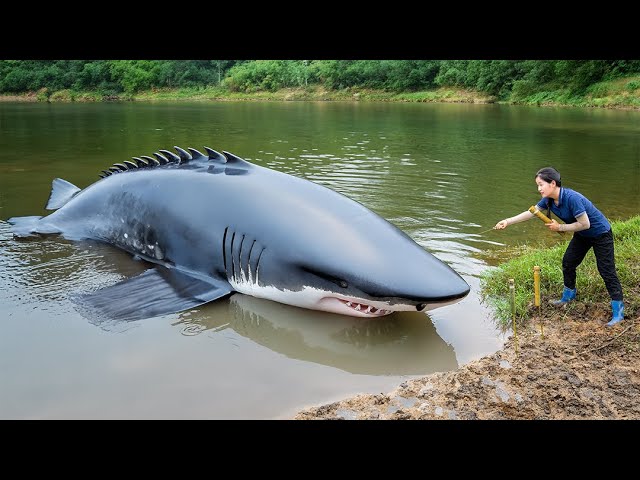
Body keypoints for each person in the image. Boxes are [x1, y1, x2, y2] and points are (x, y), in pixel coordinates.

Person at [494, 167, 624, 326]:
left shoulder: (572, 198)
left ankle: (618, 311)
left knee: (606, 270)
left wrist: (560, 228)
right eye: (537, 185)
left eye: (541, 184)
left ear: (553, 183)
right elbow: (531, 213)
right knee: (568, 262)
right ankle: (568, 296)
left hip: (600, 234)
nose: (539, 189)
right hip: (582, 235)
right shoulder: (548, 200)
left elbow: (585, 224)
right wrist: (507, 221)